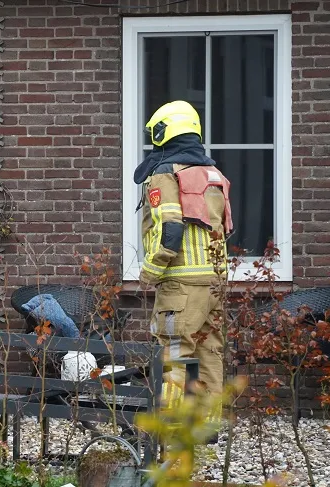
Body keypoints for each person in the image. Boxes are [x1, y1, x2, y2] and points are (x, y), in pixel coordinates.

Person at [132, 100, 234, 425]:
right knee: (210, 352)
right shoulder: (213, 174)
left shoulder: (165, 174)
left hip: (180, 285)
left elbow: (170, 230)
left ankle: (172, 426)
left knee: (173, 354)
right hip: (215, 281)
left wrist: (149, 272)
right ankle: (207, 426)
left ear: (163, 132)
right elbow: (225, 228)